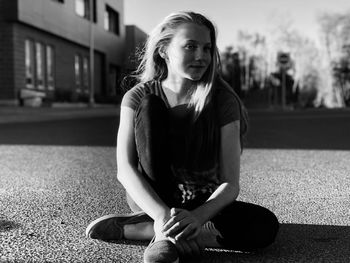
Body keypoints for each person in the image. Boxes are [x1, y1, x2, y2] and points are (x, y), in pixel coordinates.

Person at [85, 11, 279, 263]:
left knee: (264, 227)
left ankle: (146, 230)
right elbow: (125, 170)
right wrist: (162, 215)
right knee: (150, 106)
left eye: (207, 48)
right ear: (164, 50)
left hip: (201, 202)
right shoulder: (137, 96)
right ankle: (166, 233)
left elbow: (230, 184)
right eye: (190, 46)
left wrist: (197, 218)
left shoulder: (222, 100)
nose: (201, 56)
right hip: (153, 196)